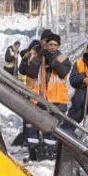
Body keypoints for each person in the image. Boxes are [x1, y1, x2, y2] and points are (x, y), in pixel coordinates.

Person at [19, 29, 70, 161]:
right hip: (37, 98)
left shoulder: (62, 58)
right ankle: (33, 154)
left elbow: (63, 71)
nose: (49, 46)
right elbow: (29, 72)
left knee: (52, 129)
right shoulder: (37, 57)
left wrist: (51, 60)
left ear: (58, 46)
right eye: (47, 43)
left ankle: (49, 156)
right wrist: (39, 57)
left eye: (53, 44)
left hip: (56, 101)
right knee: (32, 126)